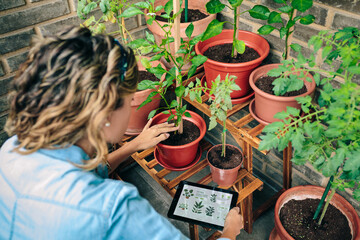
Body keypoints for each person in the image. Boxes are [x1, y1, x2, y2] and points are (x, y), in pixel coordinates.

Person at [0, 26, 243, 239]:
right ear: (105, 113)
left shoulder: (11, 150)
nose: (132, 108)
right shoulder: (112, 208)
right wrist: (229, 232)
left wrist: (132, 146)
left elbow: (76, 174)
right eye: (129, 100)